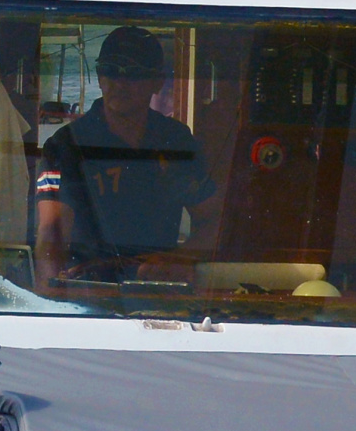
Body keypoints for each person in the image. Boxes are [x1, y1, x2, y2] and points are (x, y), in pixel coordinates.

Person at [33, 26, 220, 287]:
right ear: (99, 77)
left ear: (157, 81)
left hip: (157, 287)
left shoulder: (176, 140)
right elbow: (51, 235)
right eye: (111, 70)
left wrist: (179, 258)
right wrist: (51, 299)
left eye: (134, 73)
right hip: (89, 290)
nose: (121, 83)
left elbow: (213, 220)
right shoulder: (65, 145)